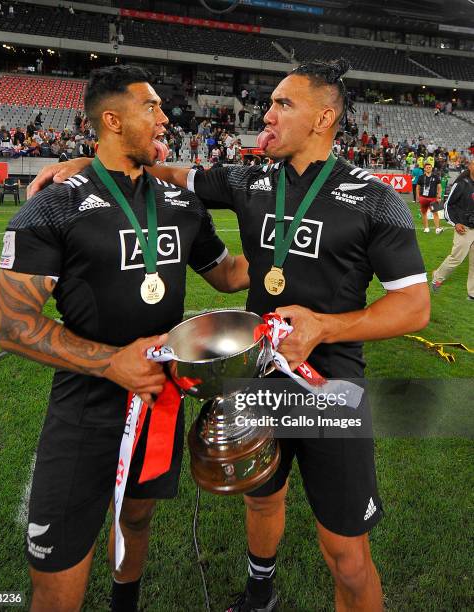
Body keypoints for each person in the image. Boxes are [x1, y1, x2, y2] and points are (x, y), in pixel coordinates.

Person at [27, 59, 430, 612]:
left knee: (347, 554)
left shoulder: (376, 198)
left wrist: (327, 327)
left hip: (327, 387)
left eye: (283, 104)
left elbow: (414, 307)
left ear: (323, 118)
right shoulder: (246, 179)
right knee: (262, 498)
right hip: (254, 379)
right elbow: (160, 173)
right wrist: (83, 159)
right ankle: (259, 588)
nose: (266, 114)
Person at [0, 65, 249, 612]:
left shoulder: (181, 203)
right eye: (151, 107)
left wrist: (296, 258)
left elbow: (226, 273)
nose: (166, 118)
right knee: (58, 575)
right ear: (111, 119)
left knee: (138, 513)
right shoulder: (52, 206)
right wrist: (111, 363)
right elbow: (13, 325)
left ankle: (124, 604)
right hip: (84, 412)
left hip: (160, 400)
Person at [432, 161, 474, 300]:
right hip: (464, 228)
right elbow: (448, 205)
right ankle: (437, 276)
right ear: (470, 167)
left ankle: (472, 293)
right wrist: (455, 223)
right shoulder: (462, 184)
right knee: (457, 258)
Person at [416, 162, 443, 233]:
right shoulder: (421, 177)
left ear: (432, 168)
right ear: (424, 169)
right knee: (424, 213)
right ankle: (426, 228)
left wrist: (439, 196)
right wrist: (418, 197)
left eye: (429, 167)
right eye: (427, 167)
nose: (428, 168)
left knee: (435, 213)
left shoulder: (436, 177)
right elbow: (417, 188)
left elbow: (439, 188)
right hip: (423, 198)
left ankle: (437, 229)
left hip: (433, 198)